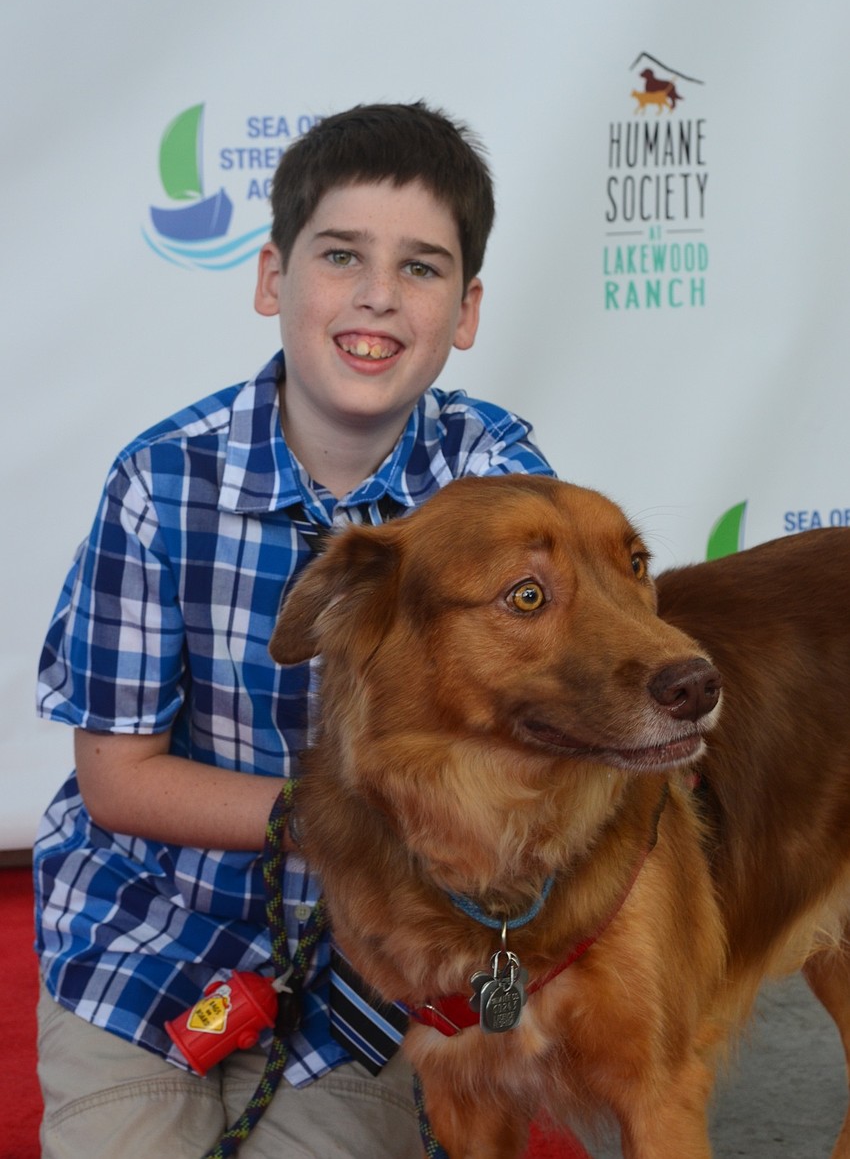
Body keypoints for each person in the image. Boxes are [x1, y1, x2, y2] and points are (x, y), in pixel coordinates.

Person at [34, 101, 555, 1159]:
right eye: (341, 254)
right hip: (145, 935)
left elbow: (531, 746)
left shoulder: (502, 490)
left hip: (370, 967)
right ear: (273, 278)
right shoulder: (160, 479)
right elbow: (119, 778)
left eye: (421, 267)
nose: (376, 293)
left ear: (466, 309)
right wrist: (356, 819)